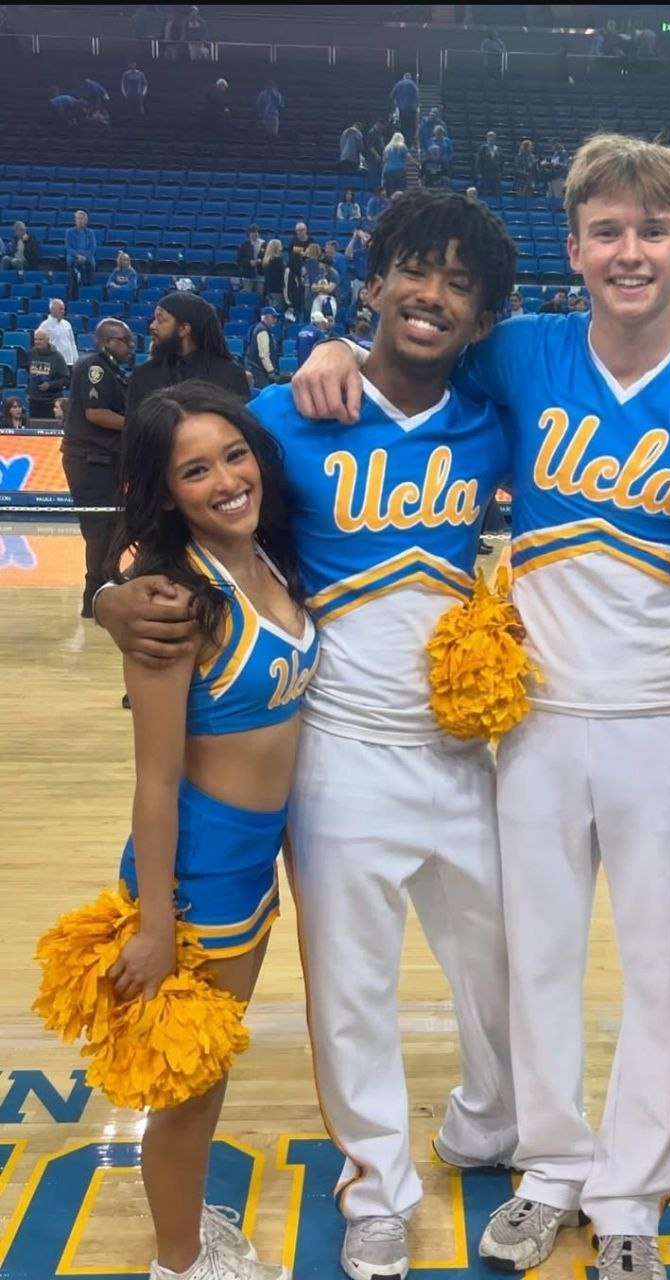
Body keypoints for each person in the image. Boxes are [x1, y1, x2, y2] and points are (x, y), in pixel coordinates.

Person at [290, 135, 670, 1280]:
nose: (629, 251)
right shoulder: (517, 351)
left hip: (668, 725)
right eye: (606, 230)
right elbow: (404, 356)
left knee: (662, 973)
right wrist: (329, 345)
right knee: (538, 961)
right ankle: (550, 1166)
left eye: (651, 232)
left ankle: (631, 1194)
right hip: (532, 720)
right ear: (572, 247)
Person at [95, 191, 521, 1280]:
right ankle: (375, 1187)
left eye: (458, 282)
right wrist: (111, 598)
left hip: (466, 748)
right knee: (351, 989)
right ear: (370, 281)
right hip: (335, 752)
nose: (431, 294)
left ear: (481, 313)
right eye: (412, 270)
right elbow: (178, 507)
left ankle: (492, 1121)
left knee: (504, 963)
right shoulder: (282, 416)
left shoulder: (495, 410)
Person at [103, 381, 312, 1280]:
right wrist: (154, 926)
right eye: (195, 471)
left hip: (248, 868)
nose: (226, 480)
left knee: (206, 1072)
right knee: (187, 1089)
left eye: (234, 455)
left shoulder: (270, 557)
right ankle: (181, 1263)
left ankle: (187, 1232)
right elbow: (154, 781)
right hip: (197, 883)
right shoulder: (175, 604)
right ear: (166, 489)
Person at [60, 318, 134, 618]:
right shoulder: (95, 367)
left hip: (105, 459)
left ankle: (105, 589)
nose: (130, 346)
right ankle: (94, 597)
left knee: (114, 527)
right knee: (100, 530)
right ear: (107, 342)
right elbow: (96, 413)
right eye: (124, 340)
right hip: (90, 460)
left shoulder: (113, 370)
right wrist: (137, 425)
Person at [126, 292, 249, 414]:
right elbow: (133, 425)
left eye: (160, 320)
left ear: (183, 329)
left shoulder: (229, 375)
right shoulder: (142, 375)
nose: (152, 326)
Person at [28, 328, 71, 419]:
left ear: (48, 340)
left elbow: (66, 380)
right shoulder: (31, 353)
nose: (37, 342)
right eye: (35, 339)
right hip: (34, 401)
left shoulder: (57, 357)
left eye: (40, 339)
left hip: (51, 402)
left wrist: (50, 385)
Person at [285, 222, 317, 322]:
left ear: (306, 230)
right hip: (296, 272)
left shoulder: (311, 241)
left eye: (302, 230)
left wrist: (301, 252)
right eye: (298, 230)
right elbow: (291, 255)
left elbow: (315, 253)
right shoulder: (293, 241)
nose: (300, 232)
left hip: (309, 270)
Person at [245, 305, 280, 389]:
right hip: (258, 370)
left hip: (255, 367)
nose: (275, 320)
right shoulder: (262, 330)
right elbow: (263, 355)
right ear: (266, 317)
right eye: (273, 317)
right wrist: (270, 370)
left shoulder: (258, 327)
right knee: (263, 392)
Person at [65, 209, 97, 299]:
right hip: (74, 256)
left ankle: (88, 290)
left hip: (87, 257)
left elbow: (93, 247)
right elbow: (68, 247)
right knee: (72, 266)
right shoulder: (69, 232)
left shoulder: (90, 233)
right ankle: (72, 293)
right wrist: (77, 256)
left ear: (86, 220)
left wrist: (85, 256)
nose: (80, 220)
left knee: (90, 264)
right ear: (75, 220)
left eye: (82, 218)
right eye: (78, 218)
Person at [40, 297, 79, 368]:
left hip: (69, 362)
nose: (63, 311)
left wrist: (76, 360)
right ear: (52, 309)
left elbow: (72, 343)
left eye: (63, 309)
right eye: (61, 309)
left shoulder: (67, 324)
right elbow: (41, 346)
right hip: (54, 363)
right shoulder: (44, 326)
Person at [390, 71, 419, 145]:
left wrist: (394, 107)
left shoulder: (398, 84)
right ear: (409, 77)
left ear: (403, 77)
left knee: (403, 127)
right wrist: (417, 106)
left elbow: (391, 96)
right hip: (411, 110)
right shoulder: (412, 84)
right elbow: (416, 95)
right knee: (411, 128)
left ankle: (403, 142)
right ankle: (410, 143)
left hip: (402, 110)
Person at [238, 225, 265, 293]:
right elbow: (239, 260)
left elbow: (267, 258)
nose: (255, 234)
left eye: (256, 232)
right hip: (248, 276)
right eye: (253, 232)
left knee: (259, 296)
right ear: (249, 234)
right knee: (248, 296)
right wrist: (249, 262)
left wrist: (260, 261)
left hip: (260, 276)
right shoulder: (244, 245)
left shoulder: (263, 244)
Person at [475, 131, 503, 196]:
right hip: (485, 173)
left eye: (493, 137)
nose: (491, 139)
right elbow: (478, 161)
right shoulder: (483, 148)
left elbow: (502, 161)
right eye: (490, 137)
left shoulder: (498, 149)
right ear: (487, 138)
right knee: (485, 191)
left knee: (496, 191)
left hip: (496, 174)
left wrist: (501, 171)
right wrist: (479, 172)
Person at [381, 131, 408, 197]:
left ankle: (390, 200)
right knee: (400, 188)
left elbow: (384, 160)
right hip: (399, 169)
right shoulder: (402, 146)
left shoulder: (387, 148)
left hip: (388, 170)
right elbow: (408, 157)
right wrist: (415, 163)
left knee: (390, 189)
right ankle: (399, 201)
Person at [261, 240, 286, 312]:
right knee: (277, 311)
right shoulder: (278, 261)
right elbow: (282, 275)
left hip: (268, 289)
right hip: (277, 290)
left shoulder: (266, 261)